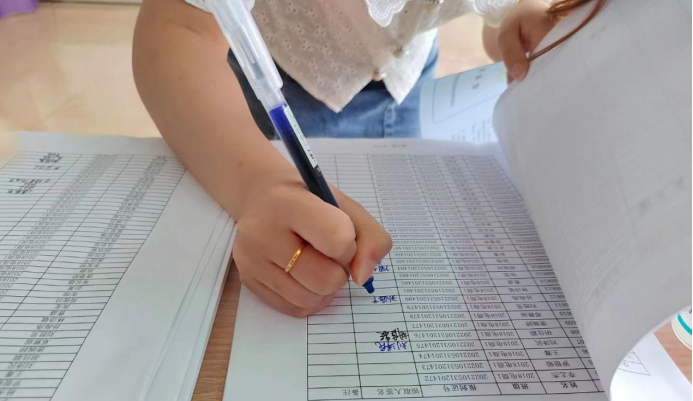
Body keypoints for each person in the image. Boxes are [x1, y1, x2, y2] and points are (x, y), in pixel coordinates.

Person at [132, 0, 570, 317]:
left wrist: (519, 15)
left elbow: (494, 15)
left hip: (410, 83)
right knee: (294, 224)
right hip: (279, 85)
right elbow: (179, 26)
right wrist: (257, 185)